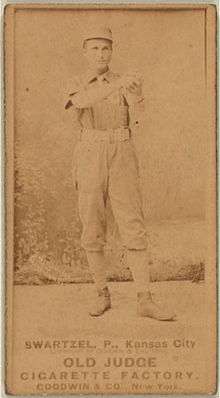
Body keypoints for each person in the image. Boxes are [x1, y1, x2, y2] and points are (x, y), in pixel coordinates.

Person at [65, 26, 176, 321]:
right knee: (92, 224)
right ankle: (101, 293)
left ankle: (145, 299)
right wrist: (118, 86)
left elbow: (139, 121)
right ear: (85, 52)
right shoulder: (77, 81)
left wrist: (137, 95)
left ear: (112, 51)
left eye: (106, 48)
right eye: (95, 48)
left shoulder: (122, 81)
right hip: (90, 153)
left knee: (132, 224)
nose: (101, 54)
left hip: (123, 152)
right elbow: (81, 102)